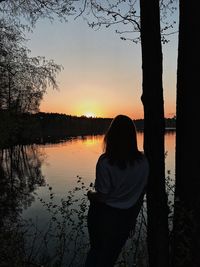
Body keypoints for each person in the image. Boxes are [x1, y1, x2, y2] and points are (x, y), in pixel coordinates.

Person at [84, 114, 149, 267]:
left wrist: (90, 195)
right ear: (132, 137)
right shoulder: (143, 161)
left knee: (96, 253)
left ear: (111, 136)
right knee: (110, 257)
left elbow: (102, 197)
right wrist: (132, 217)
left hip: (103, 215)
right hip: (127, 217)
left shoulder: (105, 162)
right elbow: (141, 193)